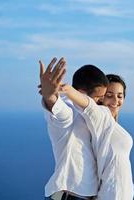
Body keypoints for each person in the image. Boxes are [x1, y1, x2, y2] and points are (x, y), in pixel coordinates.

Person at [39, 57, 108, 200]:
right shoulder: (70, 107)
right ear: (81, 93)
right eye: (98, 97)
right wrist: (50, 96)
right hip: (69, 196)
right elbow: (61, 114)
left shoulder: (93, 116)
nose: (100, 102)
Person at [59, 74, 134, 200]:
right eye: (109, 95)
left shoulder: (112, 125)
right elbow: (87, 104)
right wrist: (66, 89)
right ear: (100, 98)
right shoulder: (101, 117)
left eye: (120, 96)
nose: (115, 100)